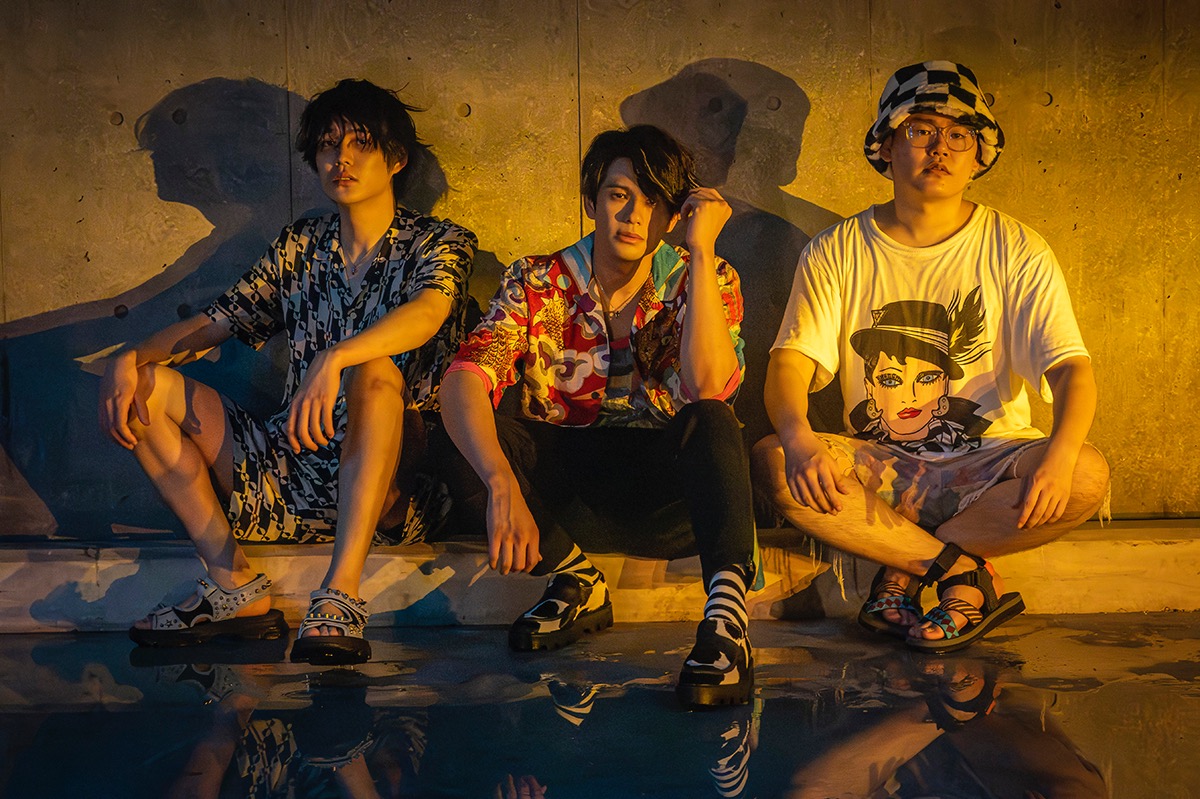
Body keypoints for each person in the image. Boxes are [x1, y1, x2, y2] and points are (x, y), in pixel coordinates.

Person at [99, 78, 476, 664]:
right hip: (291, 467)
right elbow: (215, 323)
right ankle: (233, 584)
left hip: (391, 485)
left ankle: (341, 593)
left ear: (396, 158)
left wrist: (337, 356)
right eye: (328, 145)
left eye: (360, 143)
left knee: (376, 373)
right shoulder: (302, 245)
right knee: (145, 390)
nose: (341, 159)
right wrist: (131, 359)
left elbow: (428, 314)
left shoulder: (439, 243)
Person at [753, 61, 1110, 653]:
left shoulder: (1016, 247)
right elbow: (790, 362)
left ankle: (903, 568)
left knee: (1086, 472)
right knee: (775, 458)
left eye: (959, 134)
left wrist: (1060, 456)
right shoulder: (837, 249)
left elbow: (1071, 368)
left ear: (979, 155)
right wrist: (798, 437)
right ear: (886, 146)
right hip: (883, 470)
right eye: (920, 130)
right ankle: (961, 574)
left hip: (989, 465)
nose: (940, 147)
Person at [438, 125, 756, 707]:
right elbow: (466, 374)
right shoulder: (538, 280)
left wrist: (702, 250)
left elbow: (709, 387)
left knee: (713, 422)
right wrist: (501, 483)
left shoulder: (707, 276)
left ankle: (726, 623)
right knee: (465, 427)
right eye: (618, 195)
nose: (633, 216)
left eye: (653, 201)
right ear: (591, 201)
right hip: (565, 501)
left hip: (669, 501)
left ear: (674, 214)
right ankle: (577, 579)